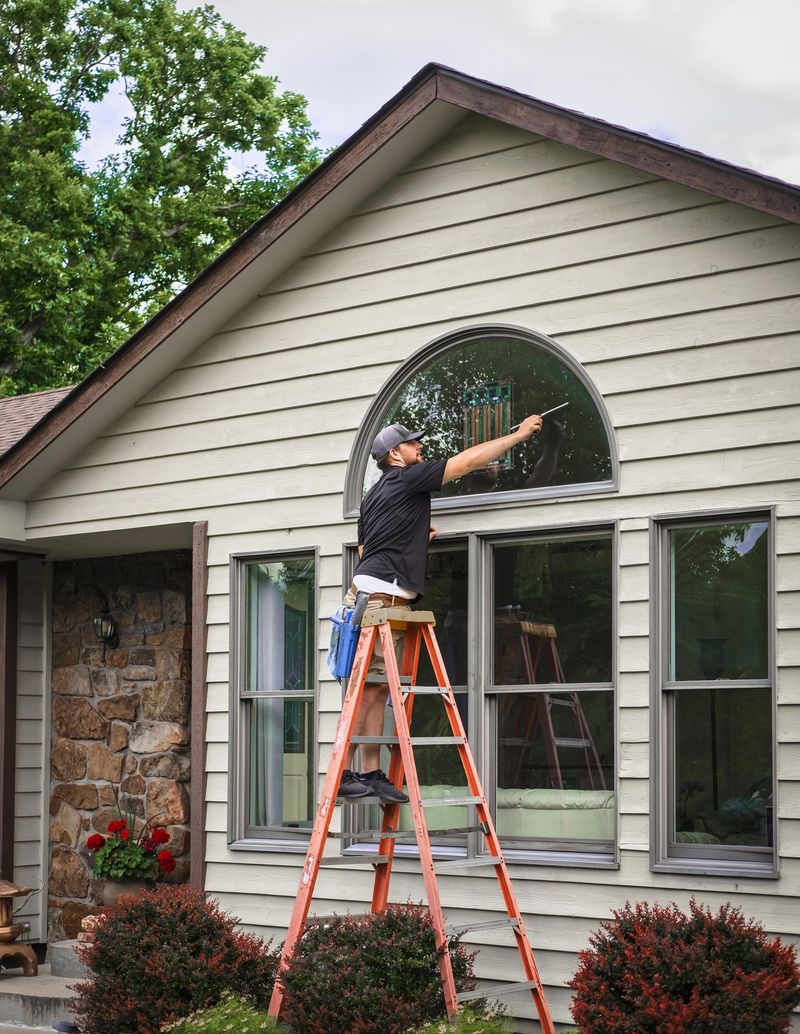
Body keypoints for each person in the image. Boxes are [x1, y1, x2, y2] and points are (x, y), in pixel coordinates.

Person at [338, 413, 543, 802]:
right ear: (395, 454)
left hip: (380, 598)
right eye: (413, 443)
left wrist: (415, 538)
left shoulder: (376, 496)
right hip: (379, 602)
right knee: (367, 692)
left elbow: (367, 550)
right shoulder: (406, 478)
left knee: (379, 691)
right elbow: (466, 462)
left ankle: (369, 774)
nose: (420, 447)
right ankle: (347, 773)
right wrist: (517, 437)